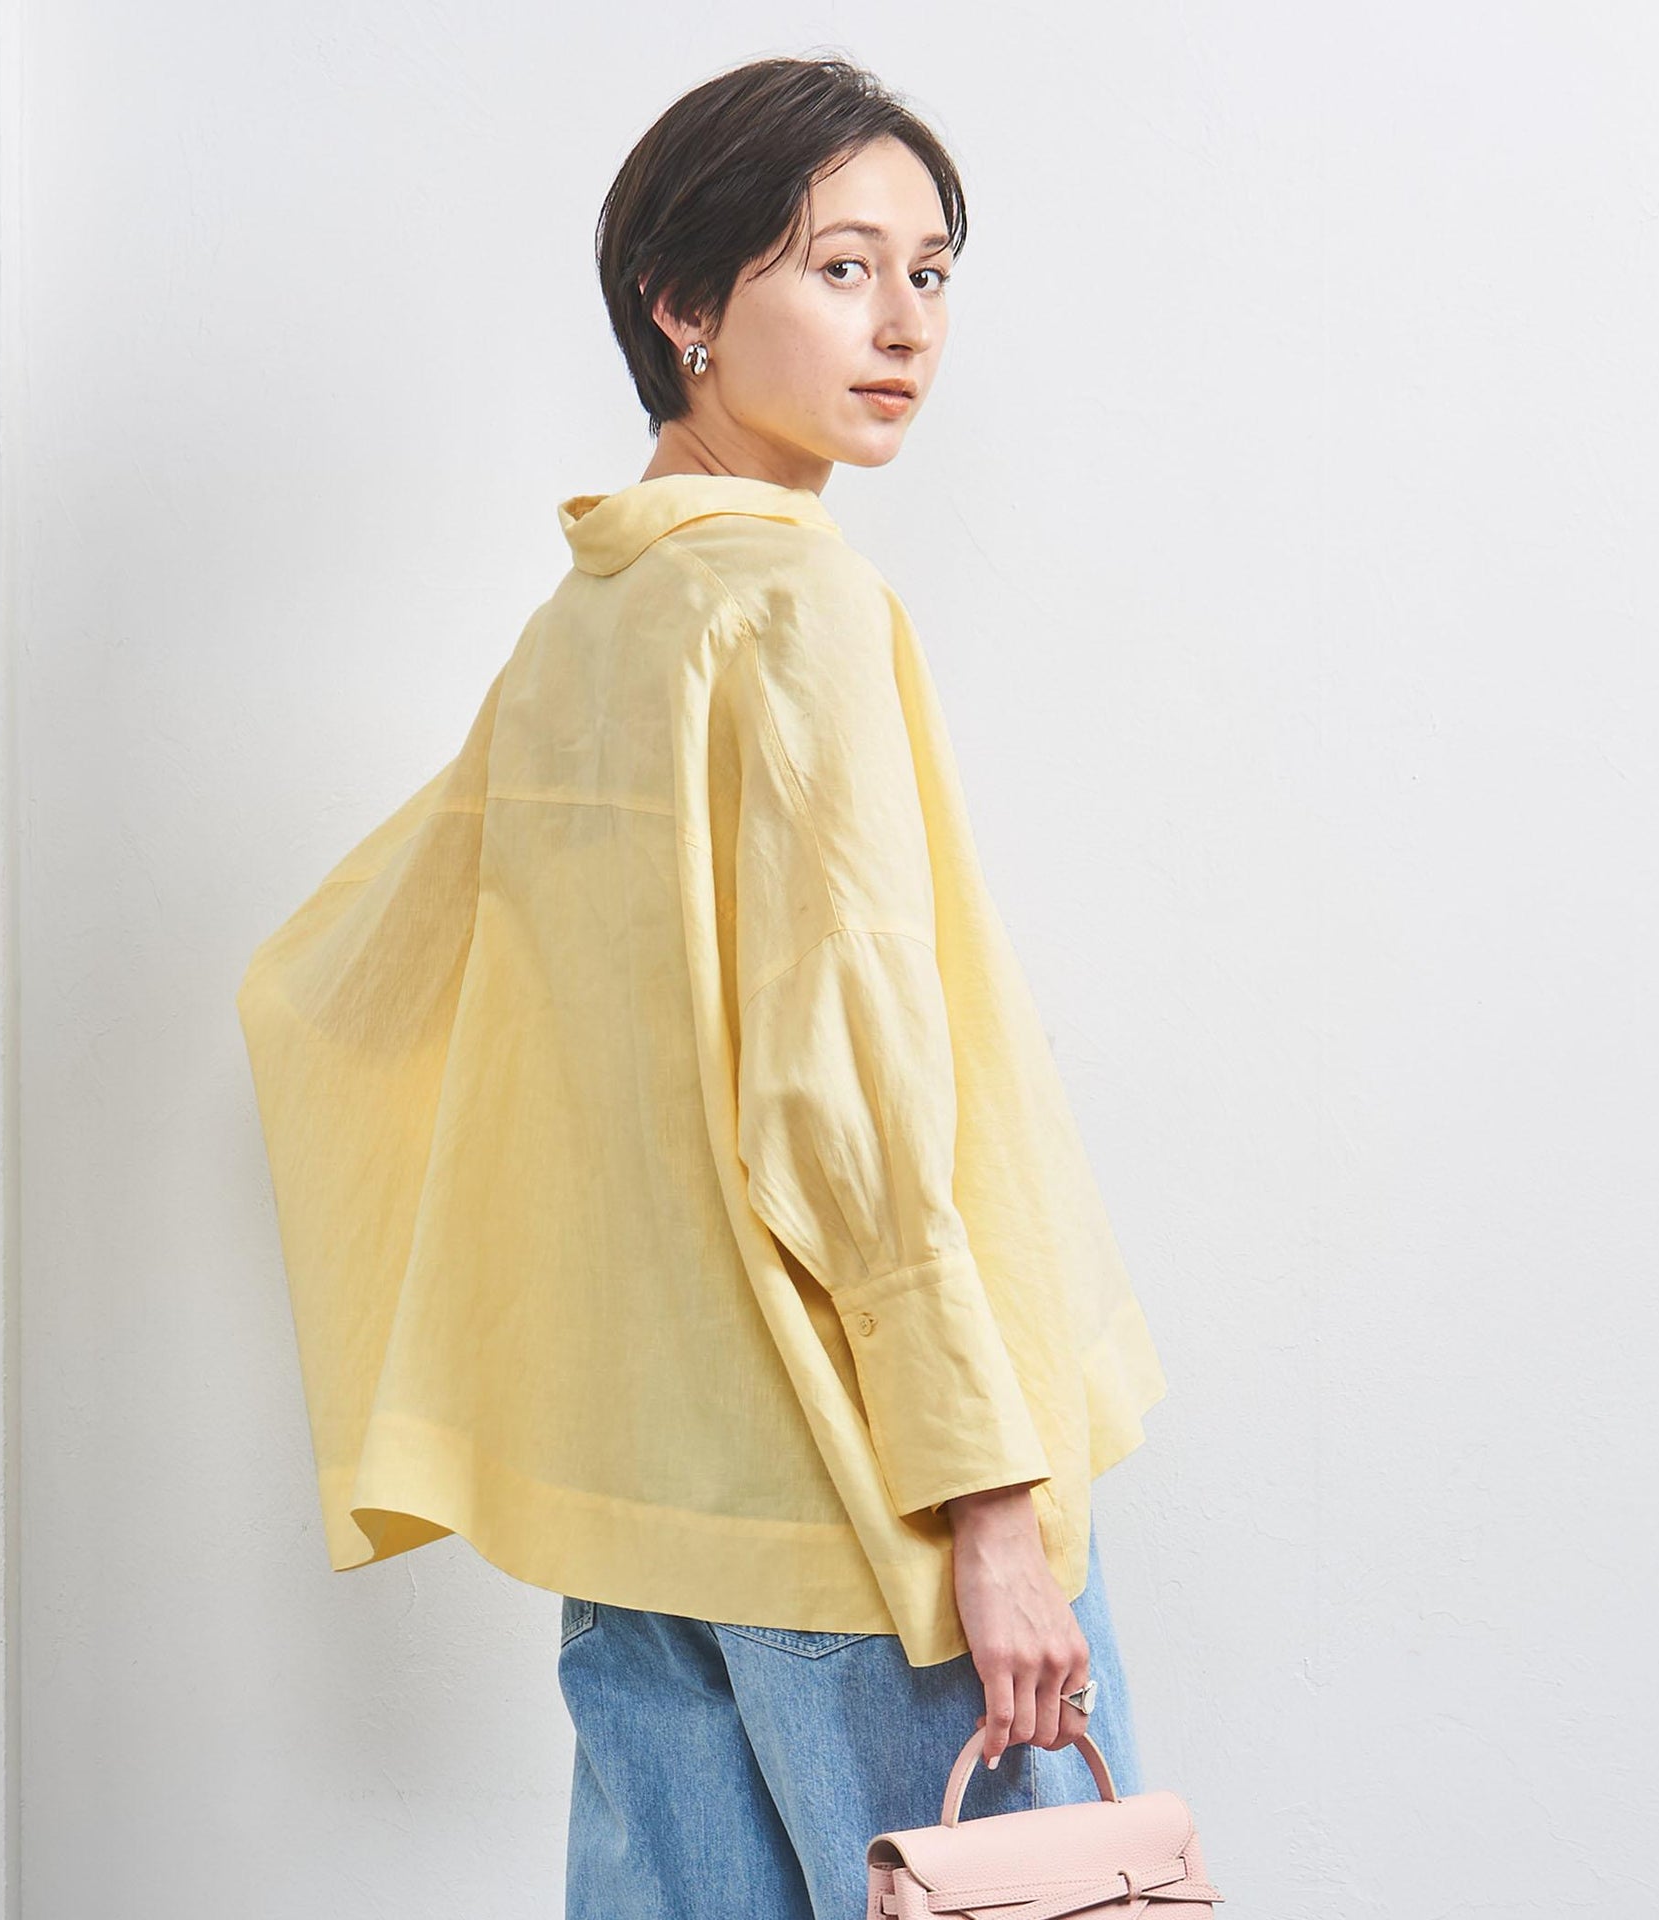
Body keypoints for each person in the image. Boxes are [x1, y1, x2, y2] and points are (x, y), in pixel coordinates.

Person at [236, 53, 1168, 1920]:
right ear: (682, 303)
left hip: (642, 1514)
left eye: (931, 269)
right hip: (865, 1508)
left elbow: (334, 982)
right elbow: (847, 1084)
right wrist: (990, 1508)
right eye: (840, 267)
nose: (905, 325)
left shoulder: (586, 625)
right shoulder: (796, 605)